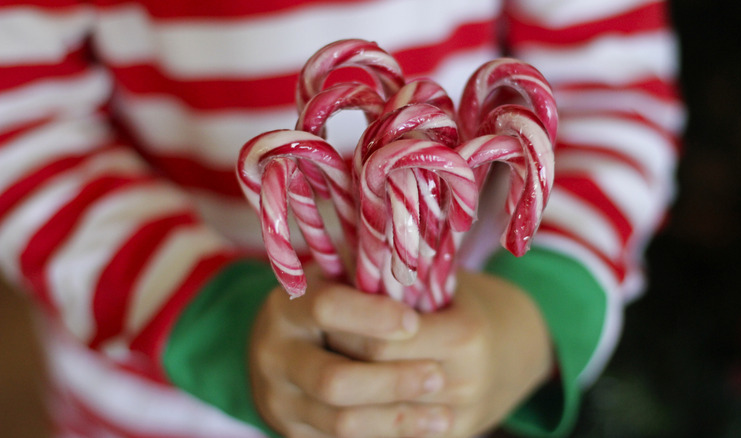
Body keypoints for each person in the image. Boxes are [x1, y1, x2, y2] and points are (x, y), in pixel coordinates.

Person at [0, 0, 683, 437]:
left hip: (441, 381)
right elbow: (21, 130)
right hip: (152, 399)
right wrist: (214, 320)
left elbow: (613, 98)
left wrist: (534, 313)